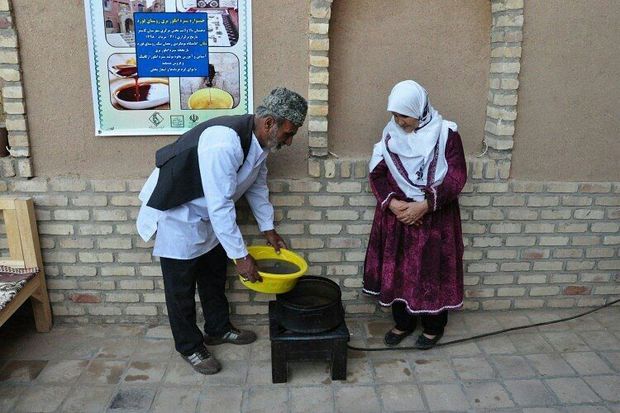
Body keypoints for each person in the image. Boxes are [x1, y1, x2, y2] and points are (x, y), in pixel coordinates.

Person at [136, 87, 308, 374]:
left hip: (208, 216)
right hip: (178, 212)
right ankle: (189, 346)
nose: (289, 142)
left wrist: (268, 228)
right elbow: (220, 205)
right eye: (289, 133)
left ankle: (218, 328)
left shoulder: (261, 144)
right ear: (269, 123)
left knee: (214, 276)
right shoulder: (224, 143)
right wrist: (241, 256)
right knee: (180, 288)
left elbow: (257, 186)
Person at [363, 80, 466, 349]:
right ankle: (403, 323)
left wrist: (425, 205)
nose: (399, 121)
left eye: (404, 115)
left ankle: (433, 327)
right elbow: (377, 175)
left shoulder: (446, 134)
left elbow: (457, 176)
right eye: (394, 115)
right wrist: (394, 205)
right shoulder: (389, 136)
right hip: (399, 219)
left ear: (420, 110)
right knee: (400, 271)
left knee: (432, 272)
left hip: (434, 218)